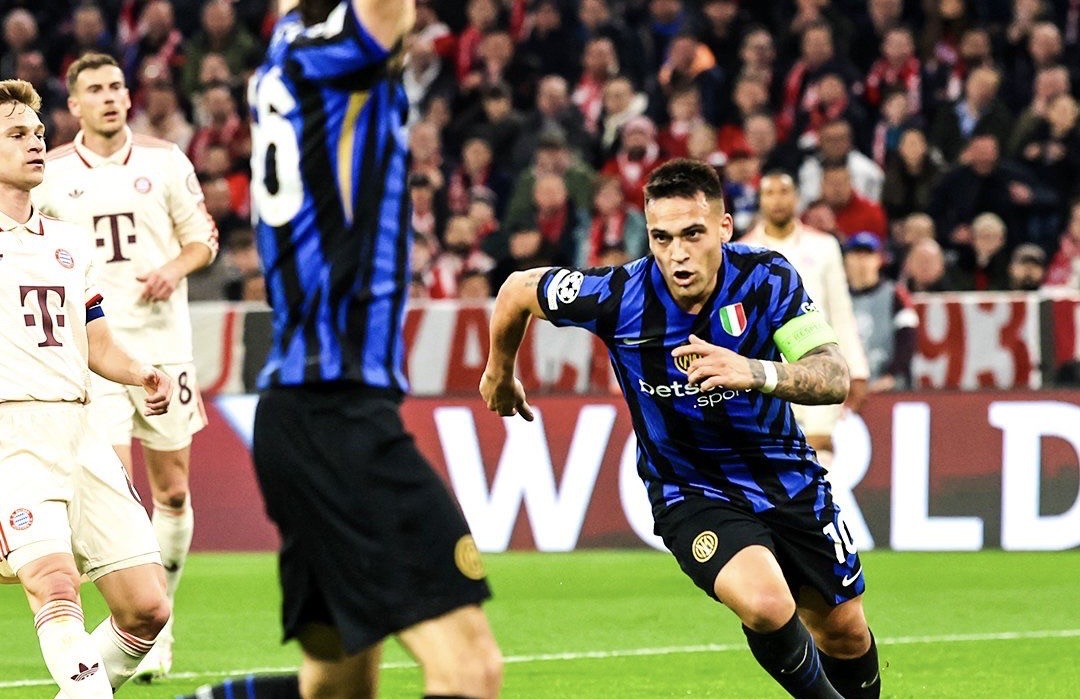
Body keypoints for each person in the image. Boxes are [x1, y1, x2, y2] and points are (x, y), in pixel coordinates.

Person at [185, 1, 503, 698]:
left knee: (335, 686)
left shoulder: (290, 49)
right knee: (470, 669)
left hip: (298, 414)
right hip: (337, 414)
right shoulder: (337, 58)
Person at [482, 159, 880, 698]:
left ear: (724, 227)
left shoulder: (767, 277)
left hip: (786, 476)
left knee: (844, 631)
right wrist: (499, 372)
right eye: (661, 238)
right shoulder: (618, 295)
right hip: (690, 489)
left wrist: (754, 372)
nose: (677, 253)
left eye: (693, 233)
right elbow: (517, 289)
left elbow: (832, 376)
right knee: (767, 604)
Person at [32, 51, 218, 682]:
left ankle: (160, 623)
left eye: (116, 86)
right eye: (96, 89)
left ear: (128, 97)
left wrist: (173, 268)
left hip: (165, 347)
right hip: (93, 352)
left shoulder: (166, 161)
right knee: (119, 491)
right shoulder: (52, 172)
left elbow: (204, 237)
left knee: (173, 491)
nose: (110, 97)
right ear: (74, 104)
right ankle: (129, 624)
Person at [0, 78, 174, 697]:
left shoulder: (69, 243)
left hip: (81, 429)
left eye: (38, 133)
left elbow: (97, 344)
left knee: (147, 609)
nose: (36, 143)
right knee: (54, 581)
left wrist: (140, 371)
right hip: (11, 436)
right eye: (17, 134)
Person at [742, 172, 870, 487]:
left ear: (797, 197)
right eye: (769, 193)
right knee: (770, 460)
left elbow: (840, 310)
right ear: (760, 200)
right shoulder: (742, 251)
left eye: (784, 191)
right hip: (766, 368)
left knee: (819, 447)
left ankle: (821, 513)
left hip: (817, 362)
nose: (777, 200)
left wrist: (856, 369)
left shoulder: (824, 246)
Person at [843, 232, 919, 393]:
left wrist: (891, 376)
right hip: (848, 388)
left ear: (879, 259)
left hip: (889, 387)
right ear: (846, 260)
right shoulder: (838, 297)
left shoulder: (896, 295)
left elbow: (907, 338)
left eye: (868, 255)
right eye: (856, 255)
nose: (862, 261)